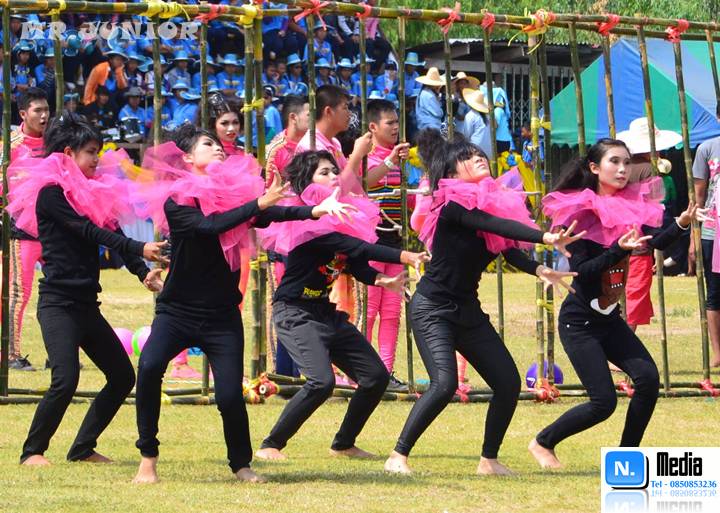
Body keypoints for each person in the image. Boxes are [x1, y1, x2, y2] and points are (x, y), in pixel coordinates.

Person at [131, 125, 355, 484]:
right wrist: (259, 204)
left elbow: (267, 215)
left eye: (219, 145)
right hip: (177, 311)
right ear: (187, 157)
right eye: (208, 144)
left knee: (229, 396)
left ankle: (241, 464)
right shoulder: (177, 200)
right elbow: (209, 227)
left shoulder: (233, 195)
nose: (218, 148)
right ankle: (148, 457)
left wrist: (313, 211)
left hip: (221, 316)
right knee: (149, 367)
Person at [384, 130, 579, 476]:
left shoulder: (493, 200)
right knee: (444, 384)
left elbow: (506, 247)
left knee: (508, 382)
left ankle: (489, 460)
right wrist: (545, 236)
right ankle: (397, 456)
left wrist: (539, 269)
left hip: (467, 311)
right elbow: (493, 224)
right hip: (432, 309)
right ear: (451, 172)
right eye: (466, 157)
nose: (478, 158)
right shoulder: (452, 206)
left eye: (479, 154)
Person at [529, 138, 704, 469]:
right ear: (595, 168)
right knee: (603, 402)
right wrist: (618, 251)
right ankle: (543, 442)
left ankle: (626, 459)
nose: (623, 169)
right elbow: (582, 271)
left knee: (648, 379)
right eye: (614, 162)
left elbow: (652, 242)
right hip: (579, 323)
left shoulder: (631, 202)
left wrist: (682, 223)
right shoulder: (580, 211)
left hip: (610, 319)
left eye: (626, 162)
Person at [7, 112, 167, 466]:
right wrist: (140, 248)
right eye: (90, 152)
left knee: (122, 376)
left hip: (86, 306)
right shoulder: (51, 194)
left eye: (98, 151)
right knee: (66, 380)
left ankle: (82, 448)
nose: (97, 158)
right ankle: (32, 452)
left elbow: (114, 231)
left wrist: (142, 272)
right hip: (58, 304)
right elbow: (89, 231)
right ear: (68, 153)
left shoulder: (92, 190)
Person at [255, 150, 429, 461]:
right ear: (307, 183)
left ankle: (343, 444)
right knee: (321, 382)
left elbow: (355, 262)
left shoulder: (342, 218)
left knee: (375, 377)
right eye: (324, 173)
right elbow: (353, 246)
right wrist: (406, 255)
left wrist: (382, 279)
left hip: (325, 312)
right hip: (295, 313)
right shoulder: (308, 223)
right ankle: (271, 445)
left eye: (335, 171)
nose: (334, 176)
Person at [616, 118, 682, 332]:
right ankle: (623, 344)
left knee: (618, 295)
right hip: (639, 242)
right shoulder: (649, 171)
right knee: (634, 298)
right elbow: (656, 210)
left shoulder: (620, 168)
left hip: (616, 240)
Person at [364, 99, 411, 390]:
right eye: (389, 122)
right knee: (369, 310)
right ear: (373, 126)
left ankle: (385, 372)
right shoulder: (365, 158)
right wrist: (391, 161)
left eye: (397, 122)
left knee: (392, 311)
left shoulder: (399, 160)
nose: (395, 127)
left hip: (395, 242)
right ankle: (361, 371)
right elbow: (365, 182)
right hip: (371, 240)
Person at [5, 88, 50, 371]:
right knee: (18, 292)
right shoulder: (10, 145)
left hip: (54, 230)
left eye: (47, 110)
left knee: (63, 287)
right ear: (23, 114)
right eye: (38, 111)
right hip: (21, 231)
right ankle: (10, 354)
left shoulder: (56, 142)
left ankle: (59, 352)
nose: (44, 116)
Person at [691, 109, 720, 367]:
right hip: (713, 230)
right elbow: (698, 197)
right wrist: (694, 237)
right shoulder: (706, 148)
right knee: (715, 293)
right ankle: (717, 351)